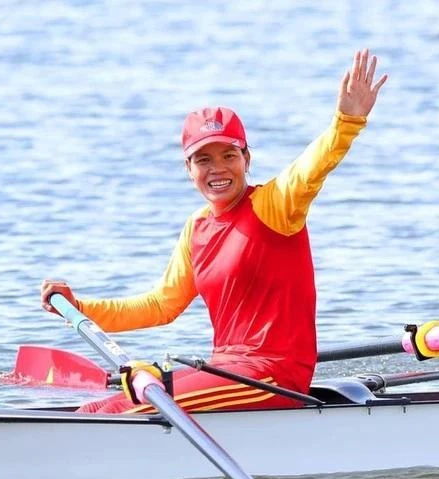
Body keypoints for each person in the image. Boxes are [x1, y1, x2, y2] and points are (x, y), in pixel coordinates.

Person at [41, 48, 387, 414]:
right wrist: (78, 307)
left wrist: (346, 123)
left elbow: (310, 169)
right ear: (188, 168)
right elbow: (161, 305)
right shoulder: (197, 229)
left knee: (109, 413)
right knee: (95, 408)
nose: (217, 169)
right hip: (226, 369)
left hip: (272, 376)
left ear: (246, 160)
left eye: (229, 156)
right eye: (204, 159)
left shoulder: (276, 205)